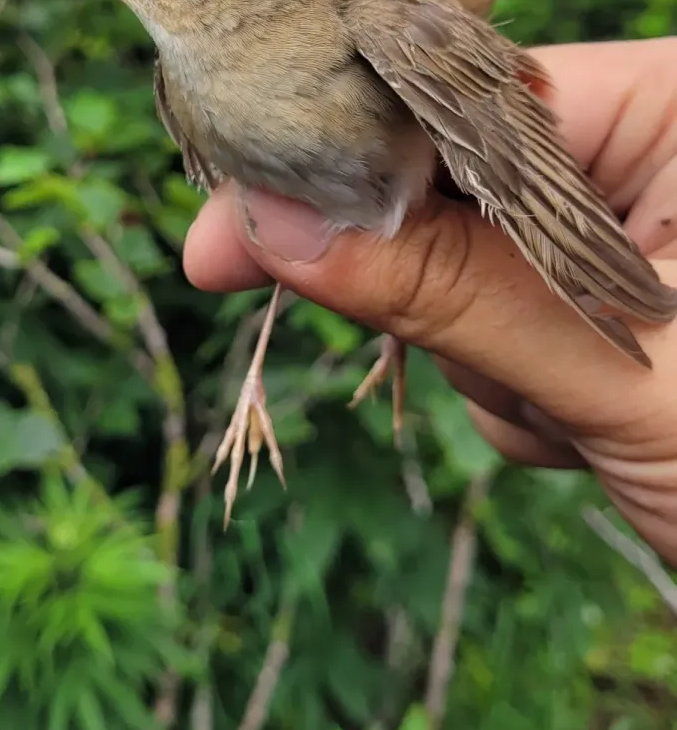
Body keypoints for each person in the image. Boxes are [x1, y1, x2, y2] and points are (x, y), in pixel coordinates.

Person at [183, 38, 677, 565]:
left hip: (390, 180)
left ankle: (389, 341)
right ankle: (257, 382)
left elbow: (493, 151)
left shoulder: (353, 46)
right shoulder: (189, 71)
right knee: (279, 233)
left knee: (328, 233)